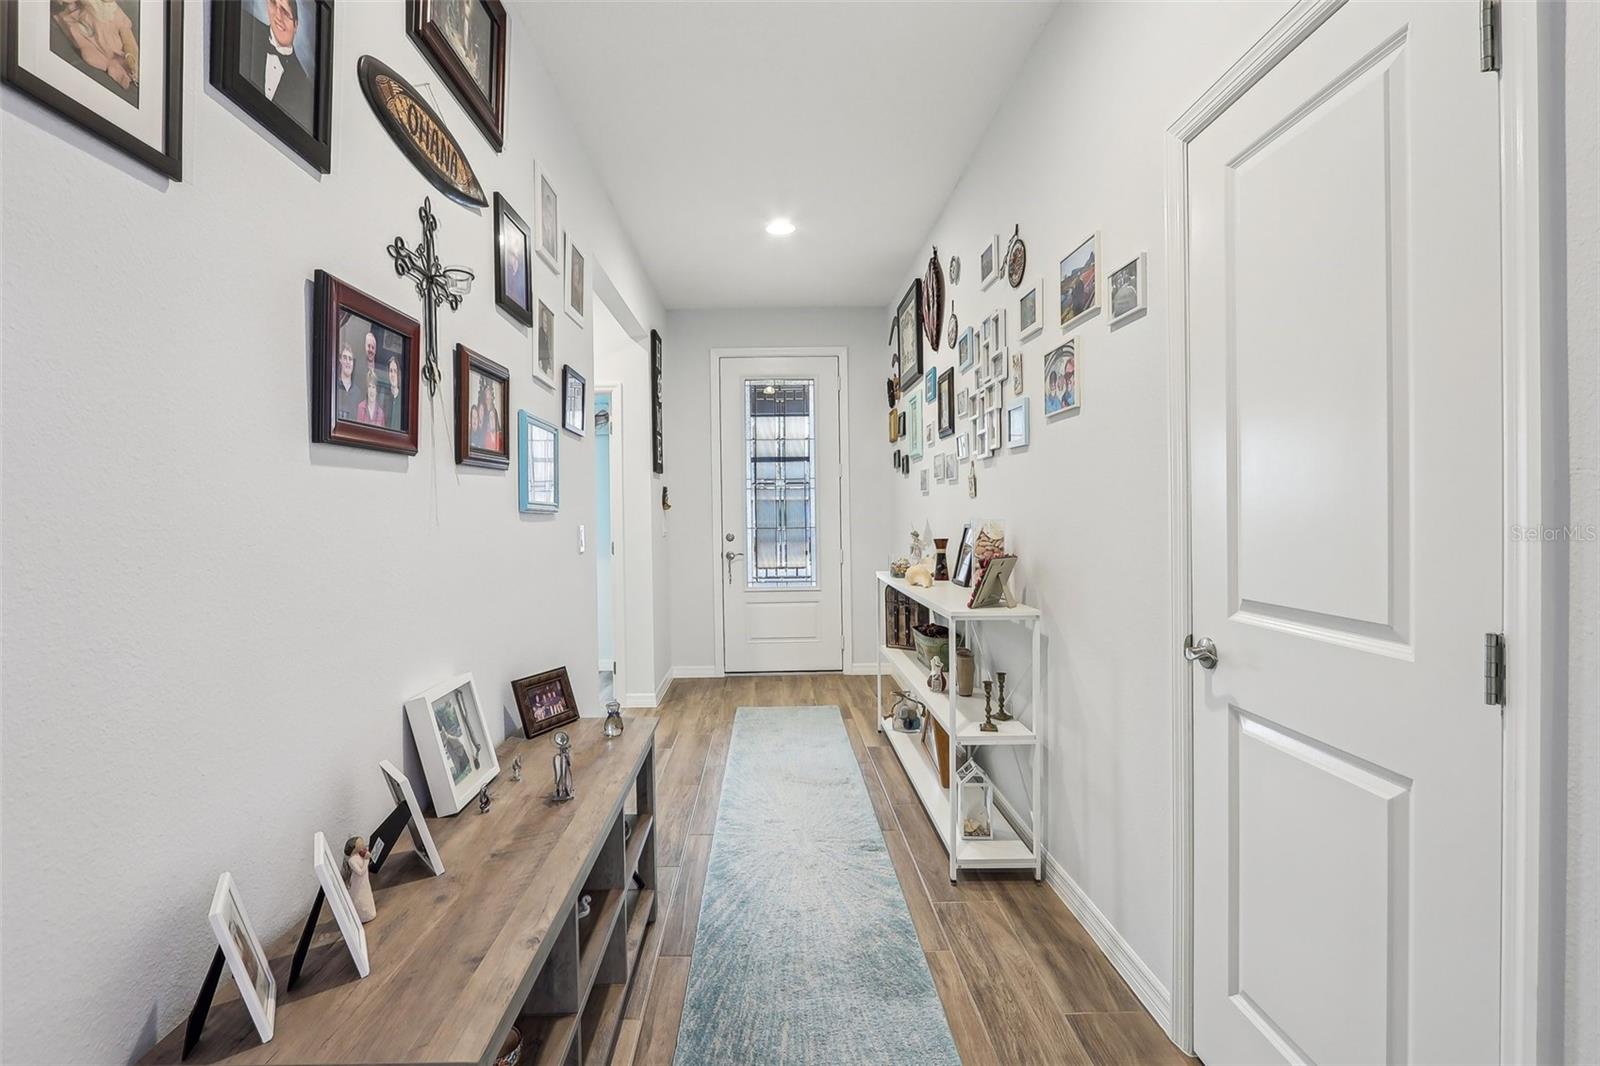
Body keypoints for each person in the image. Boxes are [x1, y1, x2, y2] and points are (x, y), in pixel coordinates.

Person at [238, 0, 314, 132]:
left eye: (285, 12)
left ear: (296, 25)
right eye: (273, 4)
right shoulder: (245, 25)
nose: (278, 16)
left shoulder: (304, 86)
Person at [53, 0, 140, 93]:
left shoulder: (119, 15)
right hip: (91, 41)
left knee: (127, 64)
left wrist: (130, 55)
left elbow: (128, 40)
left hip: (115, 50)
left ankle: (128, 70)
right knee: (89, 55)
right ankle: (112, 65)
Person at [333, 344, 360, 422]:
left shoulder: (357, 392)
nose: (348, 362)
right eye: (345, 358)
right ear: (340, 360)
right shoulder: (334, 387)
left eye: (350, 359)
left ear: (353, 363)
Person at [385, 355, 405, 431]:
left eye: (395, 371)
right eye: (390, 371)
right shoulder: (385, 398)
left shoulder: (403, 400)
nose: (393, 375)